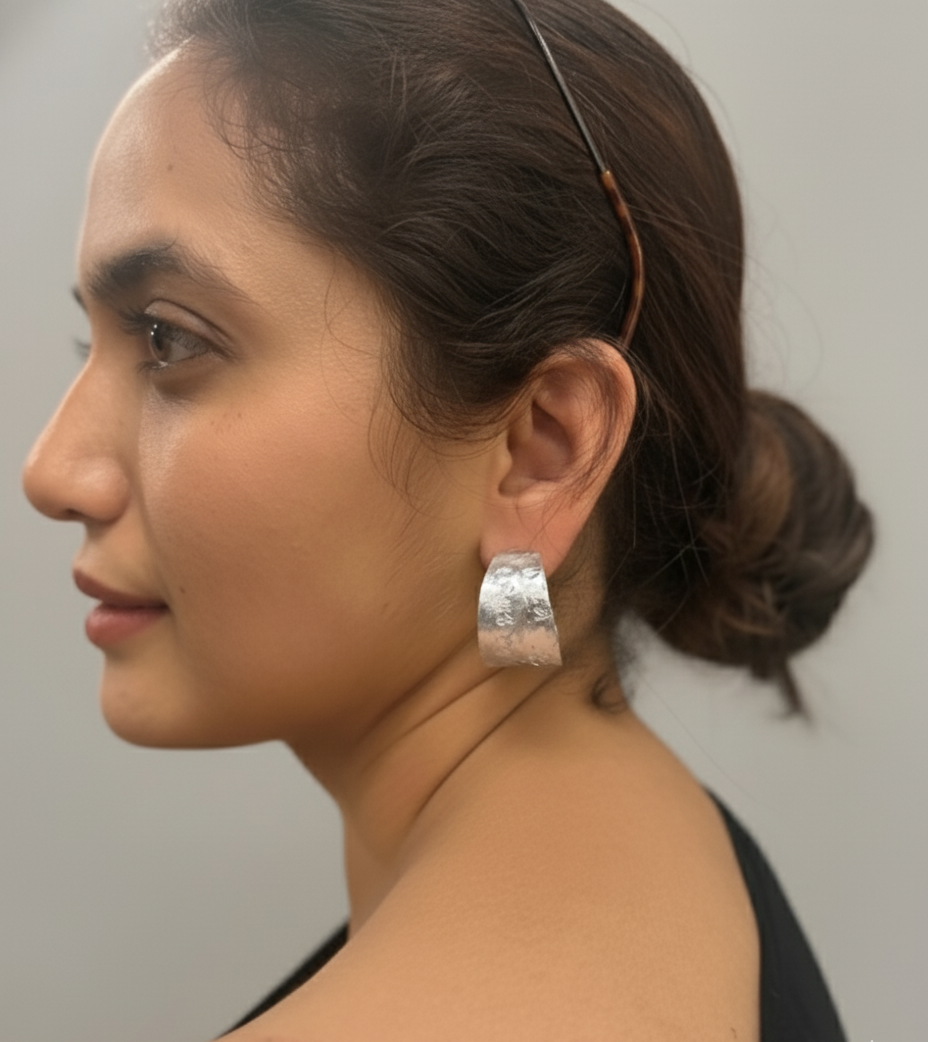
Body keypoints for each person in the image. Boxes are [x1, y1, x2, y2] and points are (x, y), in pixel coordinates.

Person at [22, 0, 872, 1038]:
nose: (52, 471)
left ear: (540, 451)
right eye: (93, 345)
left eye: (167, 339)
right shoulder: (664, 852)